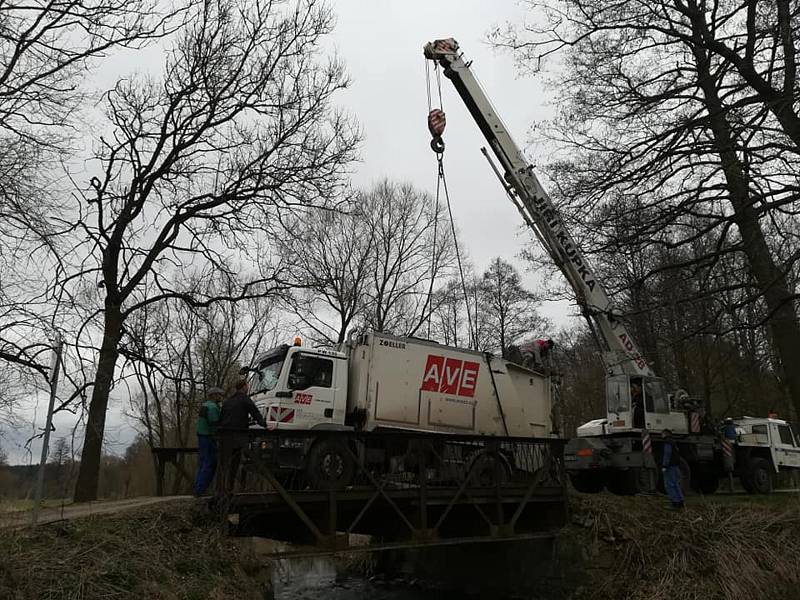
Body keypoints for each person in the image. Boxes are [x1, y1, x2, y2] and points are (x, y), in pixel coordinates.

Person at [217, 379, 267, 495]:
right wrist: (264, 424)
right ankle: (230, 488)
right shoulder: (244, 399)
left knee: (223, 465)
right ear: (244, 387)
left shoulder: (228, 401)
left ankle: (220, 489)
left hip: (225, 436)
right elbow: (255, 412)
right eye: (247, 386)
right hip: (238, 437)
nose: (248, 387)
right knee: (235, 463)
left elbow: (221, 419)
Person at [192, 387, 224, 497]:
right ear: (214, 395)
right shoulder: (213, 408)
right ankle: (200, 490)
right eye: (219, 395)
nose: (221, 397)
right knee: (209, 463)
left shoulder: (204, 405)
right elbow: (215, 424)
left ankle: (197, 488)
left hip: (202, 436)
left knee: (202, 463)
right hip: (208, 437)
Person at [661, 429, 684, 509]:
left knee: (669, 485)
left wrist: (664, 466)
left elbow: (667, 454)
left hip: (670, 466)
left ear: (665, 434)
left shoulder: (667, 442)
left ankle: (675, 502)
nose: (661, 435)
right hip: (675, 466)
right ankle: (680, 501)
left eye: (662, 434)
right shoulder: (673, 442)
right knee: (675, 483)